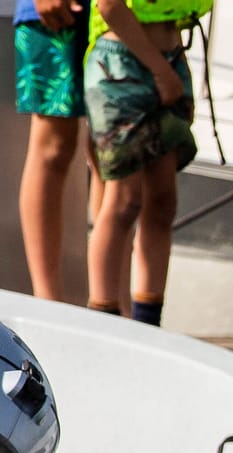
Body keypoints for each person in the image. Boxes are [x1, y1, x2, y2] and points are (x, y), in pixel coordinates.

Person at [83, 0, 206, 325]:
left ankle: (148, 322)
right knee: (124, 200)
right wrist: (161, 71)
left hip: (170, 59)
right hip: (121, 65)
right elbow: (110, 6)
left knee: (163, 201)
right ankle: (104, 319)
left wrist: (170, 69)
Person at [12, 0, 89, 301]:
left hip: (128, 19)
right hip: (56, 15)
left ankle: (111, 306)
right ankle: (47, 301)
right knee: (53, 148)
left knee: (112, 155)